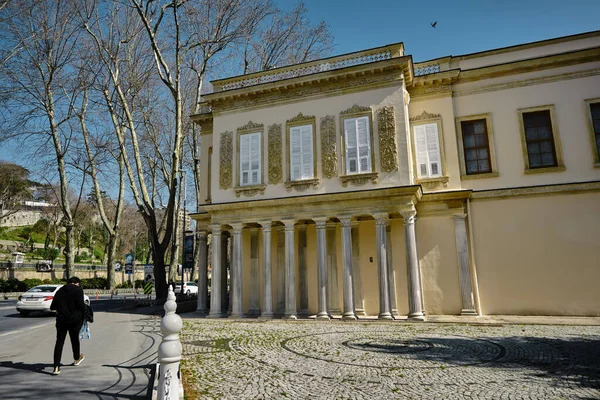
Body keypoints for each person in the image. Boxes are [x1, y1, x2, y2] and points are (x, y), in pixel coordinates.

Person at [50, 276, 86, 375]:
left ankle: (56, 367)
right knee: (74, 339)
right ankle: (76, 358)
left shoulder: (60, 291)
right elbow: (80, 306)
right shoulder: (78, 290)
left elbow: (52, 306)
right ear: (77, 283)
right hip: (74, 319)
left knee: (59, 342)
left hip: (61, 319)